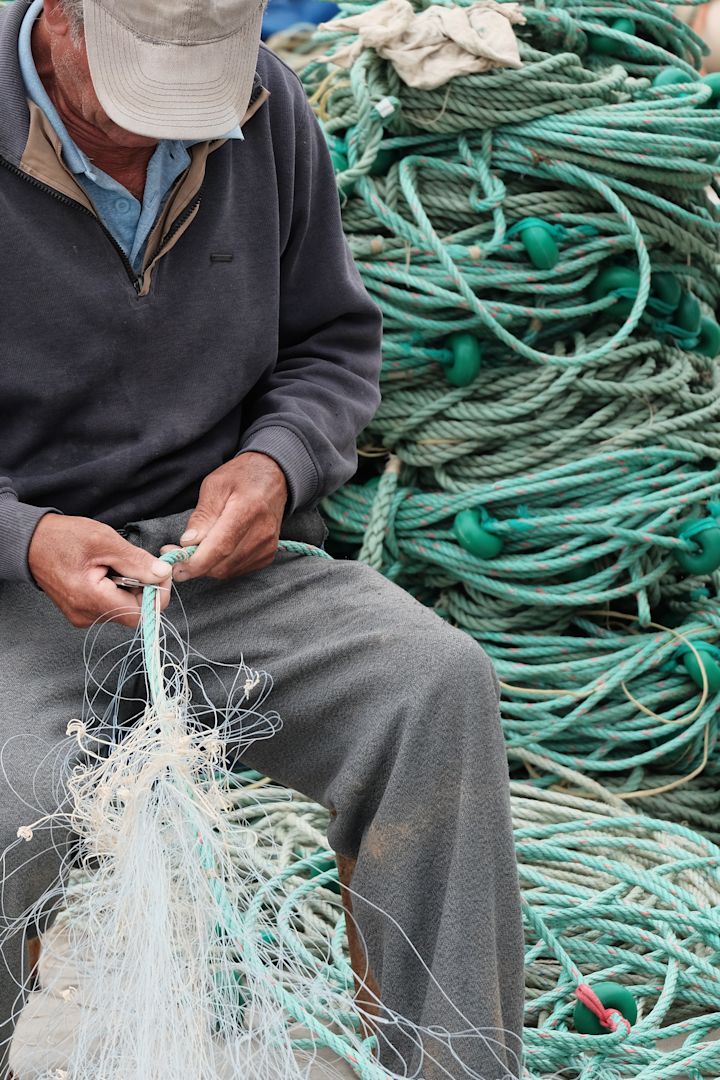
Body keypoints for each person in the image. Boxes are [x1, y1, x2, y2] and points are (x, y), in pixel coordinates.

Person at [0, 0, 524, 1076]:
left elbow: (331, 344)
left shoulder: (263, 107)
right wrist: (25, 534)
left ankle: (458, 1067)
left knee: (433, 686)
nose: (162, 135)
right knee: (14, 794)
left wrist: (278, 464)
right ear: (59, 19)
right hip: (18, 586)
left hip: (218, 570)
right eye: (132, 98)